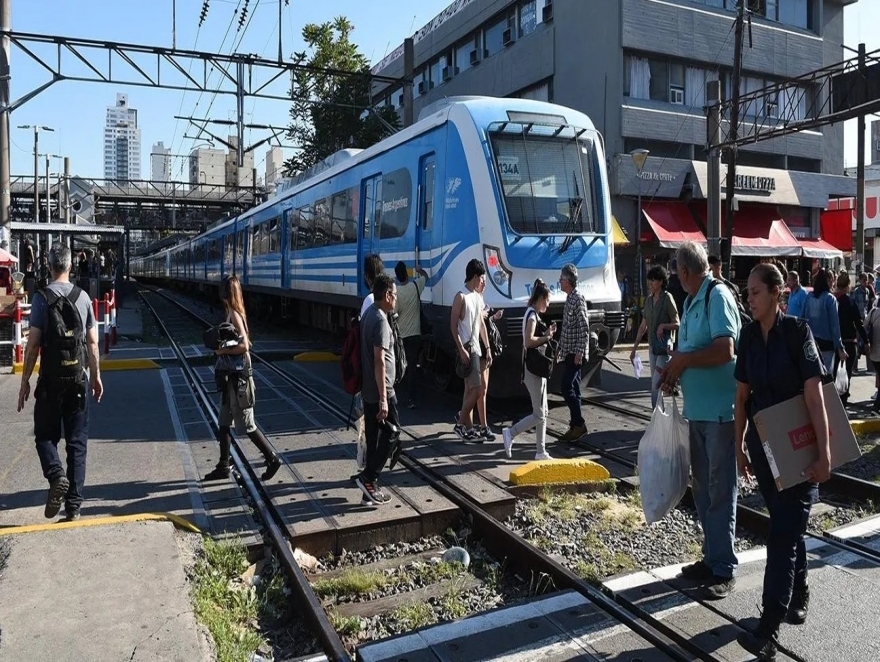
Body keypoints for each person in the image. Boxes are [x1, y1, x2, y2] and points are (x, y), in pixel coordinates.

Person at [733, 263, 831, 660]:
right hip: (765, 448)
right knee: (786, 528)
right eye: (748, 293)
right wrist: (739, 446)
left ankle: (768, 628)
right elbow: (741, 396)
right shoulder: (749, 336)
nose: (749, 299)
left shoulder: (797, 333)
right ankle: (799, 594)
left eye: (755, 292)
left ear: (776, 293)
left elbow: (814, 396)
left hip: (801, 450)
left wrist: (825, 455)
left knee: (782, 535)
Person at [660, 240, 740, 600]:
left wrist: (685, 362)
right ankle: (712, 558)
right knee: (705, 490)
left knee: (721, 490)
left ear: (685, 271)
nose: (676, 276)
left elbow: (726, 349)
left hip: (721, 414)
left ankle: (723, 567)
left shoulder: (716, 296)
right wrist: (676, 367)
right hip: (698, 412)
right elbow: (692, 351)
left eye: (677, 270)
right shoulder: (693, 301)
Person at [17, 243, 103, 521]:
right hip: (78, 379)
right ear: (71, 266)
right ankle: (74, 506)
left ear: (50, 266)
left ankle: (56, 475)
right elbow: (92, 343)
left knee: (44, 436)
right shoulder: (84, 298)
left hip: (50, 381)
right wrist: (96, 376)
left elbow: (32, 346)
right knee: (77, 442)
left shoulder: (42, 298)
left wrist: (25, 382)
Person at [204, 275, 282, 482]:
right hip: (231, 376)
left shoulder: (235, 315)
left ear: (226, 293)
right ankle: (223, 465)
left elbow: (245, 346)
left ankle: (272, 458)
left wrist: (221, 352)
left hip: (239, 378)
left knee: (247, 423)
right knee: (223, 421)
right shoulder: (231, 313)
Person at [354, 273, 400, 505]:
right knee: (393, 433)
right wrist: (384, 397)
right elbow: (379, 360)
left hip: (370, 390)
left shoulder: (369, 314)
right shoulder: (381, 320)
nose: (396, 299)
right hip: (383, 391)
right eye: (395, 295)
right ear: (387, 295)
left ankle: (367, 493)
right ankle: (369, 477)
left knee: (374, 440)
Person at [502, 279, 556, 460]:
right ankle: (511, 432)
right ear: (540, 298)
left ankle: (540, 451)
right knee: (539, 414)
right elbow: (528, 341)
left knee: (544, 411)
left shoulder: (531, 314)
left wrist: (547, 334)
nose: (548, 304)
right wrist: (546, 338)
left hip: (536, 369)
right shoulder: (532, 316)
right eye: (547, 300)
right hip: (533, 370)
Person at [630, 265, 680, 408]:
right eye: (649, 281)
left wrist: (663, 326)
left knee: (655, 383)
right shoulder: (649, 300)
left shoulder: (667, 298)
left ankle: (655, 416)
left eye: (653, 281)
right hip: (652, 347)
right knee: (655, 384)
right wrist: (634, 349)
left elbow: (677, 323)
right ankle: (659, 418)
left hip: (664, 349)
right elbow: (642, 326)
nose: (650, 284)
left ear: (661, 281)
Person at [451, 259, 490, 442]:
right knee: (477, 390)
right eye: (480, 277)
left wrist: (487, 347)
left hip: (476, 349)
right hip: (468, 348)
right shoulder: (461, 296)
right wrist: (461, 349)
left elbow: (481, 324)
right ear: (474, 276)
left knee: (470, 390)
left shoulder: (476, 297)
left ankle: (468, 428)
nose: (482, 281)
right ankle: (460, 424)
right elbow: (452, 326)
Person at [354, 254, 385, 470]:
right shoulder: (383, 302)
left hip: (370, 376)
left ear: (367, 275)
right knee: (381, 427)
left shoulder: (369, 302)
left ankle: (369, 472)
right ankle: (370, 472)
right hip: (381, 376)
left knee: (370, 427)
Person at [557, 263, 590, 441]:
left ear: (568, 281)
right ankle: (574, 426)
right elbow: (568, 328)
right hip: (568, 351)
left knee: (566, 387)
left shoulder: (578, 299)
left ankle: (579, 423)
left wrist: (579, 352)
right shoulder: (569, 298)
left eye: (561, 279)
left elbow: (584, 327)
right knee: (574, 389)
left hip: (575, 354)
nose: (559, 282)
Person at [393, 260, 427, 409]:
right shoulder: (415, 286)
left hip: (402, 335)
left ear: (397, 277)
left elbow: (395, 313)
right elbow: (426, 277)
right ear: (406, 273)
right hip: (415, 334)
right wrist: (419, 270)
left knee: (400, 365)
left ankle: (395, 396)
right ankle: (412, 399)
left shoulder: (397, 293)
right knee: (412, 367)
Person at [802, 270, 846, 375]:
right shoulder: (830, 299)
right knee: (826, 377)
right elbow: (835, 326)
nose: (833, 283)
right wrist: (840, 347)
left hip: (810, 342)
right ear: (828, 281)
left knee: (812, 375)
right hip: (826, 344)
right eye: (831, 280)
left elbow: (802, 319)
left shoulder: (809, 297)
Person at [833, 273, 865, 404]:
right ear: (847, 286)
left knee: (834, 374)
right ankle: (843, 401)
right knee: (846, 375)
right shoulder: (850, 302)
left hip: (834, 343)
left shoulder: (832, 300)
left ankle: (834, 403)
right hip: (849, 343)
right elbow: (858, 323)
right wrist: (866, 340)